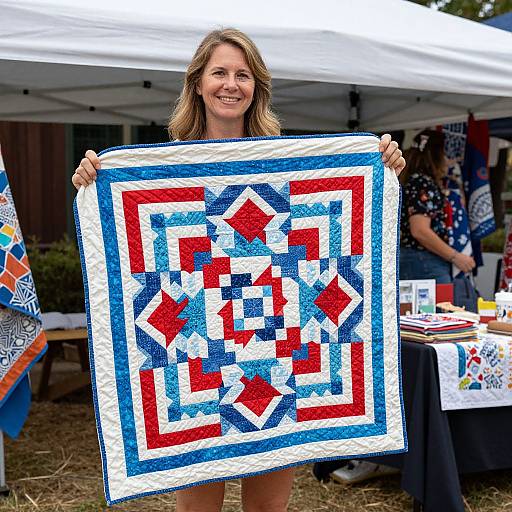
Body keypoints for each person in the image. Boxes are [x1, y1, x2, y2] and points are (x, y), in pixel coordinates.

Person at [72, 28, 406, 512]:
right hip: (197, 374)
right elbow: (131, 253)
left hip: (278, 370)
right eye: (220, 73)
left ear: (257, 87)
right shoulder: (163, 172)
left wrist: (382, 165)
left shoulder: (286, 169)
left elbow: (342, 231)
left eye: (243, 75)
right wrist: (92, 183)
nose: (231, 84)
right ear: (198, 84)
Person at [399, 129, 475, 284]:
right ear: (437, 155)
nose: (449, 161)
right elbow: (419, 230)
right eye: (447, 154)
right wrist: (455, 256)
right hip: (424, 261)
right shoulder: (423, 183)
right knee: (439, 307)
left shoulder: (416, 181)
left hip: (419, 260)